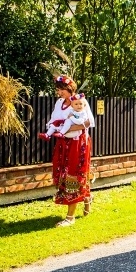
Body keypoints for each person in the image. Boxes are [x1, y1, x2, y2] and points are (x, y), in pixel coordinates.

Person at [41, 76, 95, 227]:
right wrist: (54, 128)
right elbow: (54, 119)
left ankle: (70, 218)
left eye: (61, 89)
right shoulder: (59, 103)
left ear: (70, 89)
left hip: (78, 143)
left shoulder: (80, 101)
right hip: (63, 142)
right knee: (65, 174)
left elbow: (89, 122)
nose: (59, 92)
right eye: (57, 89)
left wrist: (68, 129)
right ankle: (86, 198)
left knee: (74, 174)